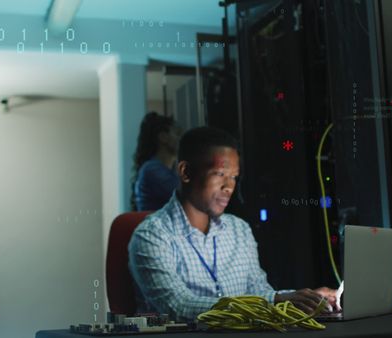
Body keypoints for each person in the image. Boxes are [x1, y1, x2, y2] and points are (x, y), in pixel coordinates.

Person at [128, 126, 339, 321]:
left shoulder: (239, 230)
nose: (229, 186)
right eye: (220, 174)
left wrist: (304, 297)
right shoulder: (151, 236)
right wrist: (274, 301)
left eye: (234, 177)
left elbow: (259, 292)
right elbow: (178, 306)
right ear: (185, 172)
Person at [131, 112, 182, 211]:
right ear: (163, 137)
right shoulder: (152, 169)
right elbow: (190, 196)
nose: (182, 138)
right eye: (177, 134)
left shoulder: (168, 169)